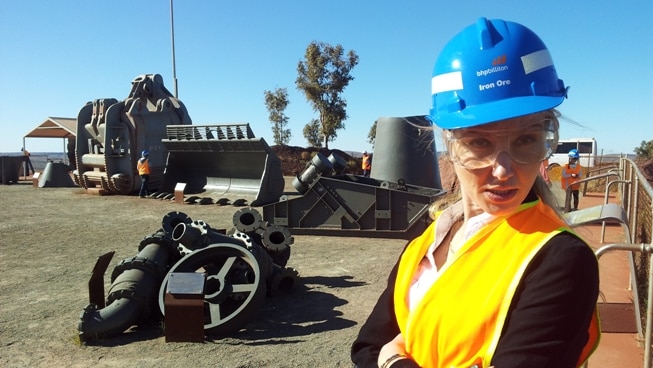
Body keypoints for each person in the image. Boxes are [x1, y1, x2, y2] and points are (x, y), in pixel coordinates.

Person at [351, 18, 599, 368]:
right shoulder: (427, 241)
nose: (502, 169)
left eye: (526, 140)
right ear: (450, 144)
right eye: (480, 142)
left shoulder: (559, 260)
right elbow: (366, 347)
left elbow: (381, 353)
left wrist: (393, 362)